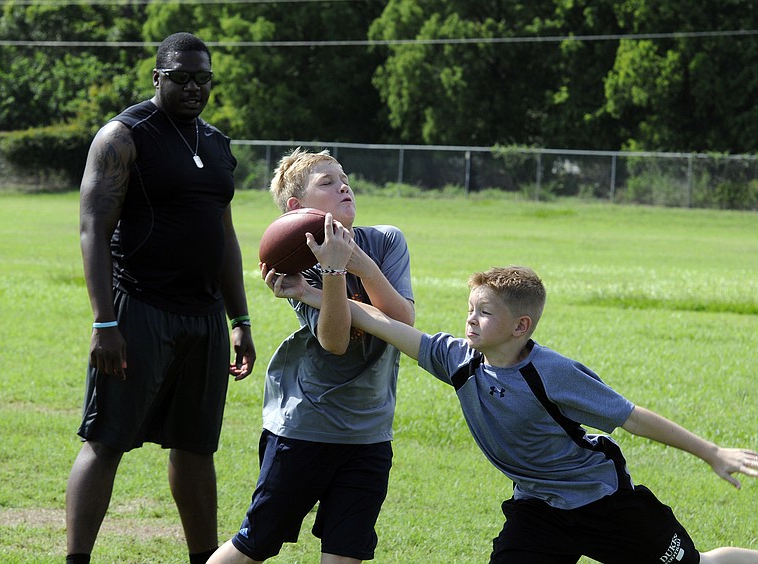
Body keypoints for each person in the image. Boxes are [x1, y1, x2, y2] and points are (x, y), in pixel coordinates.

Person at [266, 257, 758, 563]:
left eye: (484, 312)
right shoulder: (458, 360)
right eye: (470, 307)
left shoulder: (553, 372)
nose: (469, 319)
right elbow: (379, 321)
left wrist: (712, 451)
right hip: (538, 511)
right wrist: (312, 291)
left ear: (521, 325)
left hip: (603, 504)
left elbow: (633, 417)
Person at [66, 32, 256, 564]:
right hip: (139, 307)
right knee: (107, 439)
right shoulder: (123, 137)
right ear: (158, 77)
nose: (195, 87)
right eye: (182, 77)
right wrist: (105, 322)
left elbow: (225, 235)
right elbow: (92, 230)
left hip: (202, 317)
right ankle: (76, 558)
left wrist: (238, 317)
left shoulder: (216, 144)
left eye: (204, 78)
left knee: (197, 446)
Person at [208, 148, 416, 564]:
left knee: (345, 554)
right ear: (296, 208)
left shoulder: (385, 240)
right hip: (306, 427)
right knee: (254, 545)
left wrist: (358, 266)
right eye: (327, 182)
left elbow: (402, 324)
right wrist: (330, 277)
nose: (344, 186)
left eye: (344, 178)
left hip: (370, 430)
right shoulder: (293, 260)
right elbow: (335, 341)